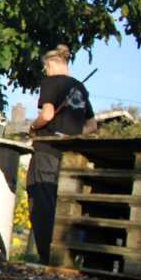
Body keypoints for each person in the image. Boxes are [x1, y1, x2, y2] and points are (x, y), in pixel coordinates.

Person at [27, 44, 96, 264]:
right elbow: (92, 125)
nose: (45, 72)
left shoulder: (51, 82)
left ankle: (46, 256)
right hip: (71, 157)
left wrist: (33, 125)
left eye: (45, 68)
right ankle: (67, 256)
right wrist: (72, 136)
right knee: (64, 204)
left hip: (47, 150)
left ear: (51, 64)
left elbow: (47, 115)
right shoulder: (79, 88)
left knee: (41, 201)